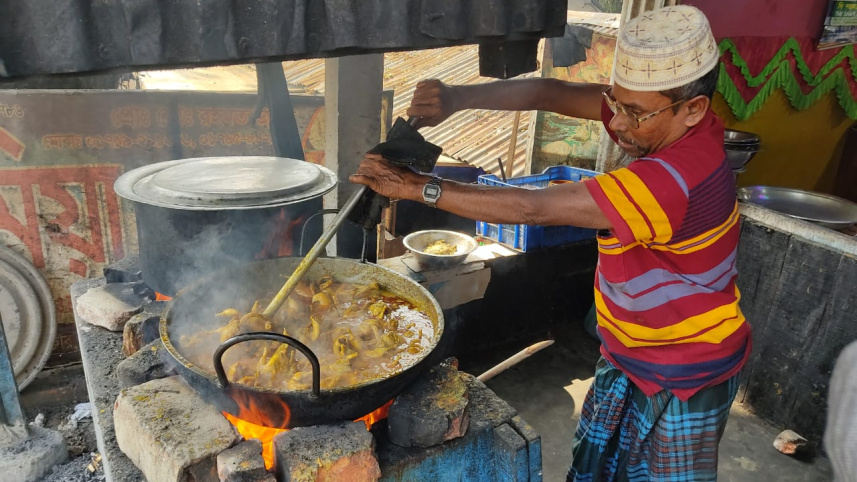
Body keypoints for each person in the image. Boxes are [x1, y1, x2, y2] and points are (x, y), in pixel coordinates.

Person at [352, 5, 751, 481]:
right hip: (630, 353)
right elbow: (552, 91)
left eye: (635, 114)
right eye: (615, 103)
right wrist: (457, 96)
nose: (618, 124)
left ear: (694, 109)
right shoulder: (661, 119)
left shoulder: (674, 179)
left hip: (687, 371)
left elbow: (532, 209)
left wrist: (418, 187)